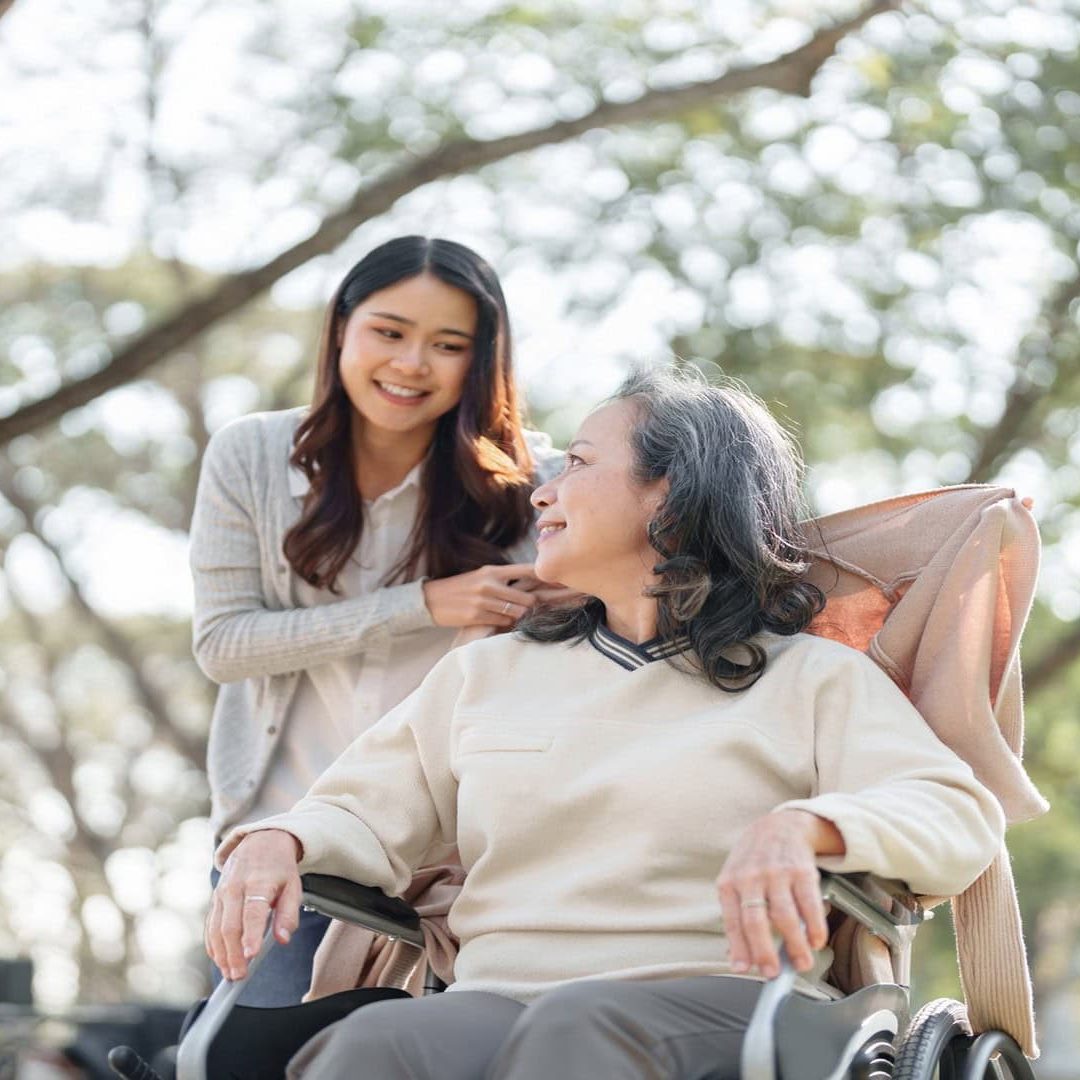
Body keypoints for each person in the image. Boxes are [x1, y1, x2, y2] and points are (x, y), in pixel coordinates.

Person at [206, 367, 1006, 1078]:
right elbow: (359, 807)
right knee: (378, 1045)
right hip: (497, 998)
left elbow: (955, 813)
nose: (542, 491)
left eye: (580, 464)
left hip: (729, 999)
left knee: (577, 1029)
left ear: (671, 492)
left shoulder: (812, 679)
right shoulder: (487, 673)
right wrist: (285, 839)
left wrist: (811, 827)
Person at [188, 235, 566, 1005]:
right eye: (389, 332)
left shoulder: (540, 484)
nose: (410, 365)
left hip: (452, 854)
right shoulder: (251, 456)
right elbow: (224, 644)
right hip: (282, 834)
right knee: (245, 1049)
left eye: (448, 345)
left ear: (482, 361)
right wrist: (422, 605)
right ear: (341, 331)